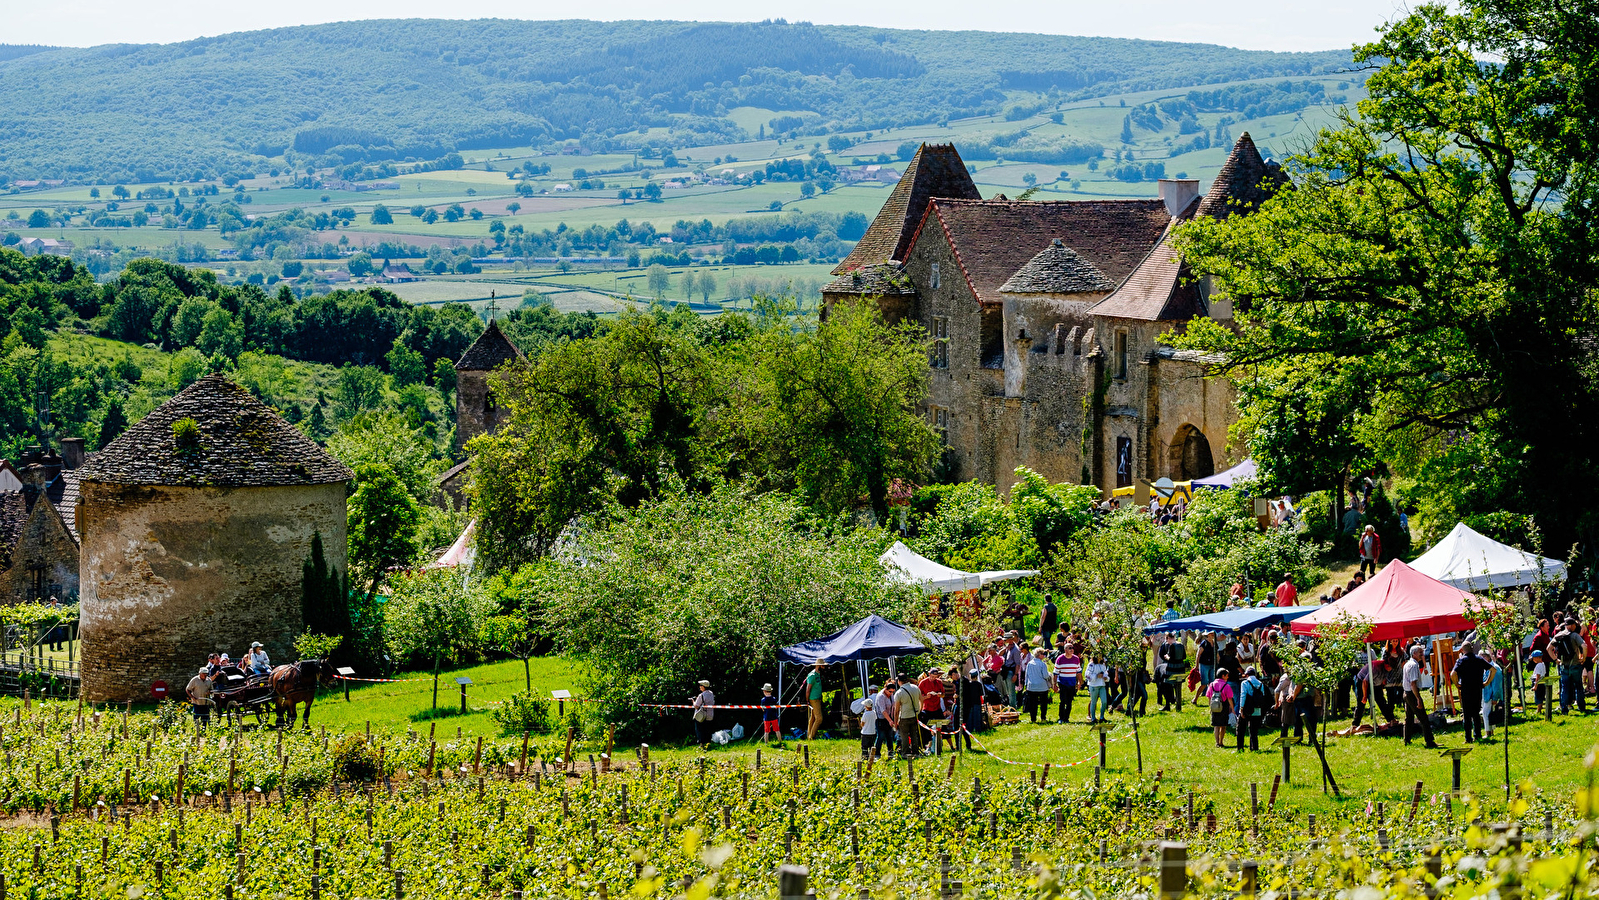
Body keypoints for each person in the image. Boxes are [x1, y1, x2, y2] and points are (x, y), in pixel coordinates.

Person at [1451, 642, 1491, 743]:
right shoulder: (1479, 659)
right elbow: (1493, 670)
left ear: (1462, 650)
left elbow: (1453, 674)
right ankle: (1477, 735)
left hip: (1466, 689)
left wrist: (1457, 684)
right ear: (1472, 648)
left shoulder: (1461, 661)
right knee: (1476, 713)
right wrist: (1486, 682)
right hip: (1477, 688)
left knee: (1467, 715)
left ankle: (1468, 738)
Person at [1401, 645, 1439, 748]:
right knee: (1423, 718)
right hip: (1412, 693)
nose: (1422, 655)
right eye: (1420, 653)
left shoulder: (1407, 664)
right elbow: (1413, 684)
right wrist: (1418, 698)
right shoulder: (1413, 665)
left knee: (1409, 718)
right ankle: (1430, 742)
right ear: (1414, 654)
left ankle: (1407, 740)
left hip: (1406, 693)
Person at [1554, 618, 1586, 714]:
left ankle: (1564, 708)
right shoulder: (1575, 635)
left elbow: (1549, 648)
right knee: (1578, 686)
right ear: (1572, 625)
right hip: (1575, 664)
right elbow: (1584, 646)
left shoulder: (1559, 635)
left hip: (1564, 665)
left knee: (1564, 688)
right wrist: (1583, 658)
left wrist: (1556, 659)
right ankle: (1581, 707)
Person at [1236, 666, 1266, 751]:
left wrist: (1241, 709)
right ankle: (1254, 747)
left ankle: (1240, 747)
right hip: (1257, 709)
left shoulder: (1245, 683)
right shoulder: (1260, 684)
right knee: (1254, 730)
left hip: (1247, 709)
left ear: (1247, 674)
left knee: (1241, 729)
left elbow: (1243, 696)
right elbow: (1263, 696)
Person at [893, 676, 922, 757]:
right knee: (914, 735)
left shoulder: (899, 692)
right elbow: (921, 699)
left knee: (904, 735)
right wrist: (919, 710)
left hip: (904, 716)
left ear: (899, 681)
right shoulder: (915, 688)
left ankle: (905, 753)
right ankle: (916, 752)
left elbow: (897, 710)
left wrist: (895, 722)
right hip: (914, 715)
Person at [1157, 633, 1186, 711]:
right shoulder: (1181, 645)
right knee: (1178, 686)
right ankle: (1178, 703)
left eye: (1167, 639)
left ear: (1169, 638)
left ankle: (1167, 705)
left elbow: (1171, 658)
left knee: (1166, 686)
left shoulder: (1172, 646)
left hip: (1172, 668)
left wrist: (1167, 657)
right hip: (1180, 668)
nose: (1167, 642)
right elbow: (1184, 657)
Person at [1206, 668, 1235, 748]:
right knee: (1223, 725)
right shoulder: (1226, 686)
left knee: (1216, 725)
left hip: (1214, 706)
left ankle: (1217, 742)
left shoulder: (1211, 684)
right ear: (1223, 676)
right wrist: (1232, 709)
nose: (1228, 677)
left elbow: (1208, 696)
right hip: (1223, 706)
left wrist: (1210, 707)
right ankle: (1221, 741)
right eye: (1227, 675)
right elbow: (1229, 698)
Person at [1054, 643, 1082, 723]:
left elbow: (1079, 671)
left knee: (1069, 701)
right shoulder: (1060, 659)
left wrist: (1080, 682)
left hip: (1072, 683)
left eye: (1072, 648)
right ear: (1065, 650)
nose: (1072, 649)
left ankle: (1066, 718)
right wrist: (1054, 684)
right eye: (1070, 648)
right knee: (1063, 701)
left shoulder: (1076, 659)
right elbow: (1055, 673)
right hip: (1062, 682)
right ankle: (1061, 718)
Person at [1023, 648, 1052, 724]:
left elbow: (1027, 675)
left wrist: (1026, 685)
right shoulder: (1042, 664)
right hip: (1042, 686)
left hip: (1031, 686)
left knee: (1033, 704)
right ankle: (1043, 717)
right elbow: (1045, 676)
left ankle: (1033, 718)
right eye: (1043, 654)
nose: (1044, 656)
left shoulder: (1029, 663)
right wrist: (1049, 676)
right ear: (1039, 655)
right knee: (1043, 703)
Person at [873, 681, 898, 758]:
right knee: (881, 736)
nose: (891, 693)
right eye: (890, 691)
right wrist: (890, 720)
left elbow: (893, 706)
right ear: (885, 689)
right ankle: (876, 754)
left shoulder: (891, 695)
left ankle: (891, 753)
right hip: (881, 719)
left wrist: (894, 719)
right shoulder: (881, 696)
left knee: (889, 736)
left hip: (889, 718)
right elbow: (883, 711)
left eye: (892, 692)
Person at [1084, 653, 1111, 724]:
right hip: (1093, 686)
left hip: (1102, 685)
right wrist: (1096, 676)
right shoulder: (1091, 665)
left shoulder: (1103, 665)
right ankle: (1093, 718)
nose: (1100, 657)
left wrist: (1106, 678)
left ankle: (1102, 717)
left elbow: (1106, 673)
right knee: (1093, 702)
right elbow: (1087, 674)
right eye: (1098, 656)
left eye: (1101, 656)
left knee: (1104, 701)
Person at [1483, 654, 1504, 739]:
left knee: (1486, 713)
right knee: (1489, 713)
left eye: (1482, 657)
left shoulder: (1495, 668)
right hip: (1486, 694)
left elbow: (1497, 685)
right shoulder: (1486, 667)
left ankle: (1488, 732)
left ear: (1487, 657)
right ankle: (1490, 731)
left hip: (1490, 695)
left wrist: (1495, 697)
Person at [691, 680, 716, 749]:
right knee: (708, 730)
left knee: (700, 730)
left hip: (702, 716)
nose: (700, 687)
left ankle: (701, 745)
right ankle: (708, 744)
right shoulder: (711, 694)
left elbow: (696, 706)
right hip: (710, 715)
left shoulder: (701, 695)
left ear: (704, 687)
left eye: (701, 686)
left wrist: (693, 701)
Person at [805, 661, 825, 741]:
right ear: (818, 665)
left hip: (818, 698)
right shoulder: (812, 675)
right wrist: (807, 700)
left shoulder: (818, 674)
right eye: (822, 666)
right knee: (819, 718)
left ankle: (809, 735)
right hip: (814, 699)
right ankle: (811, 737)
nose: (824, 667)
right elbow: (808, 689)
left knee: (813, 718)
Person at [856, 687, 877, 759]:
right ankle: (872, 757)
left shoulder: (865, 714)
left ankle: (865, 757)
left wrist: (860, 725)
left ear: (866, 706)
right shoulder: (874, 713)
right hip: (873, 732)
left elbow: (862, 723)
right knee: (871, 745)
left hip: (865, 732)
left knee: (864, 746)